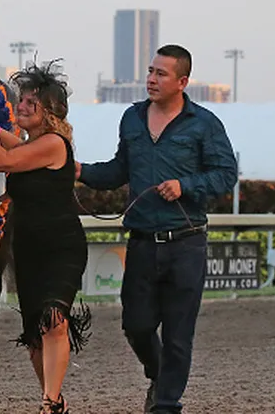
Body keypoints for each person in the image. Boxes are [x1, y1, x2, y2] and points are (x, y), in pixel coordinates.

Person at [76, 45, 238, 413]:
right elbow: (120, 170)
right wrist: (80, 171)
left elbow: (226, 174)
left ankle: (166, 404)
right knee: (136, 325)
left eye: (161, 73)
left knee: (179, 336)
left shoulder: (205, 123)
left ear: (182, 81)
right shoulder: (132, 118)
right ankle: (158, 375)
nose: (151, 78)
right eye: (150, 71)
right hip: (143, 243)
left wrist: (186, 185)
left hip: (186, 244)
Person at [0, 62, 90, 414]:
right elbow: (0, 138)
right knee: (34, 336)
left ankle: (47, 404)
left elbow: (0, 160)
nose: (22, 106)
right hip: (27, 249)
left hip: (61, 246)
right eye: (22, 100)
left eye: (31, 102)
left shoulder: (54, 144)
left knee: (54, 320)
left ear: (51, 111)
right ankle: (55, 399)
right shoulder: (31, 145)